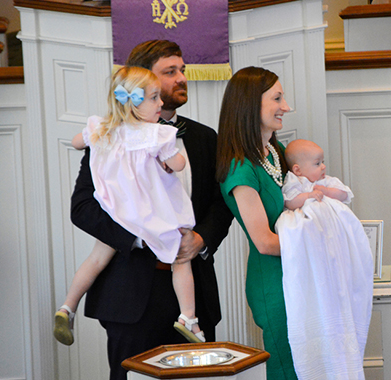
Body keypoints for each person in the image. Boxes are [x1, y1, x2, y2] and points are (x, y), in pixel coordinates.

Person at [71, 40, 232, 380]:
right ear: (143, 83)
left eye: (182, 70)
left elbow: (221, 203)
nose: (181, 78)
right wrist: (139, 239)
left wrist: (201, 238)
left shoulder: (204, 137)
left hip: (192, 292)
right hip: (131, 289)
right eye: (169, 72)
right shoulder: (108, 136)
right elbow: (83, 207)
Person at [54, 66, 205, 347]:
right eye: (155, 97)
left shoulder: (101, 129)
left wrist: (93, 140)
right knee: (181, 259)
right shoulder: (156, 135)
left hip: (119, 211)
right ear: (135, 102)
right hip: (150, 218)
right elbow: (179, 164)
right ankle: (189, 318)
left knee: (96, 258)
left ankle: (67, 306)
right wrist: (168, 161)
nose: (161, 103)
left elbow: (76, 142)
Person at [216, 66, 297, 379]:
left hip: (295, 273)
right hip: (273, 282)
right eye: (277, 98)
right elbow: (264, 241)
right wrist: (316, 243)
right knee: (286, 369)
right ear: (251, 105)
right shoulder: (240, 169)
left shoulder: (278, 152)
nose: (286, 107)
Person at [277, 139, 373, 380]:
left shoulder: (326, 182)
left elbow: (344, 194)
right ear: (298, 169)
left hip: (334, 239)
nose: (323, 167)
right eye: (317, 163)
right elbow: (289, 201)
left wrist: (324, 191)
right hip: (315, 239)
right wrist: (309, 195)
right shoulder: (294, 183)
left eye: (323, 162)